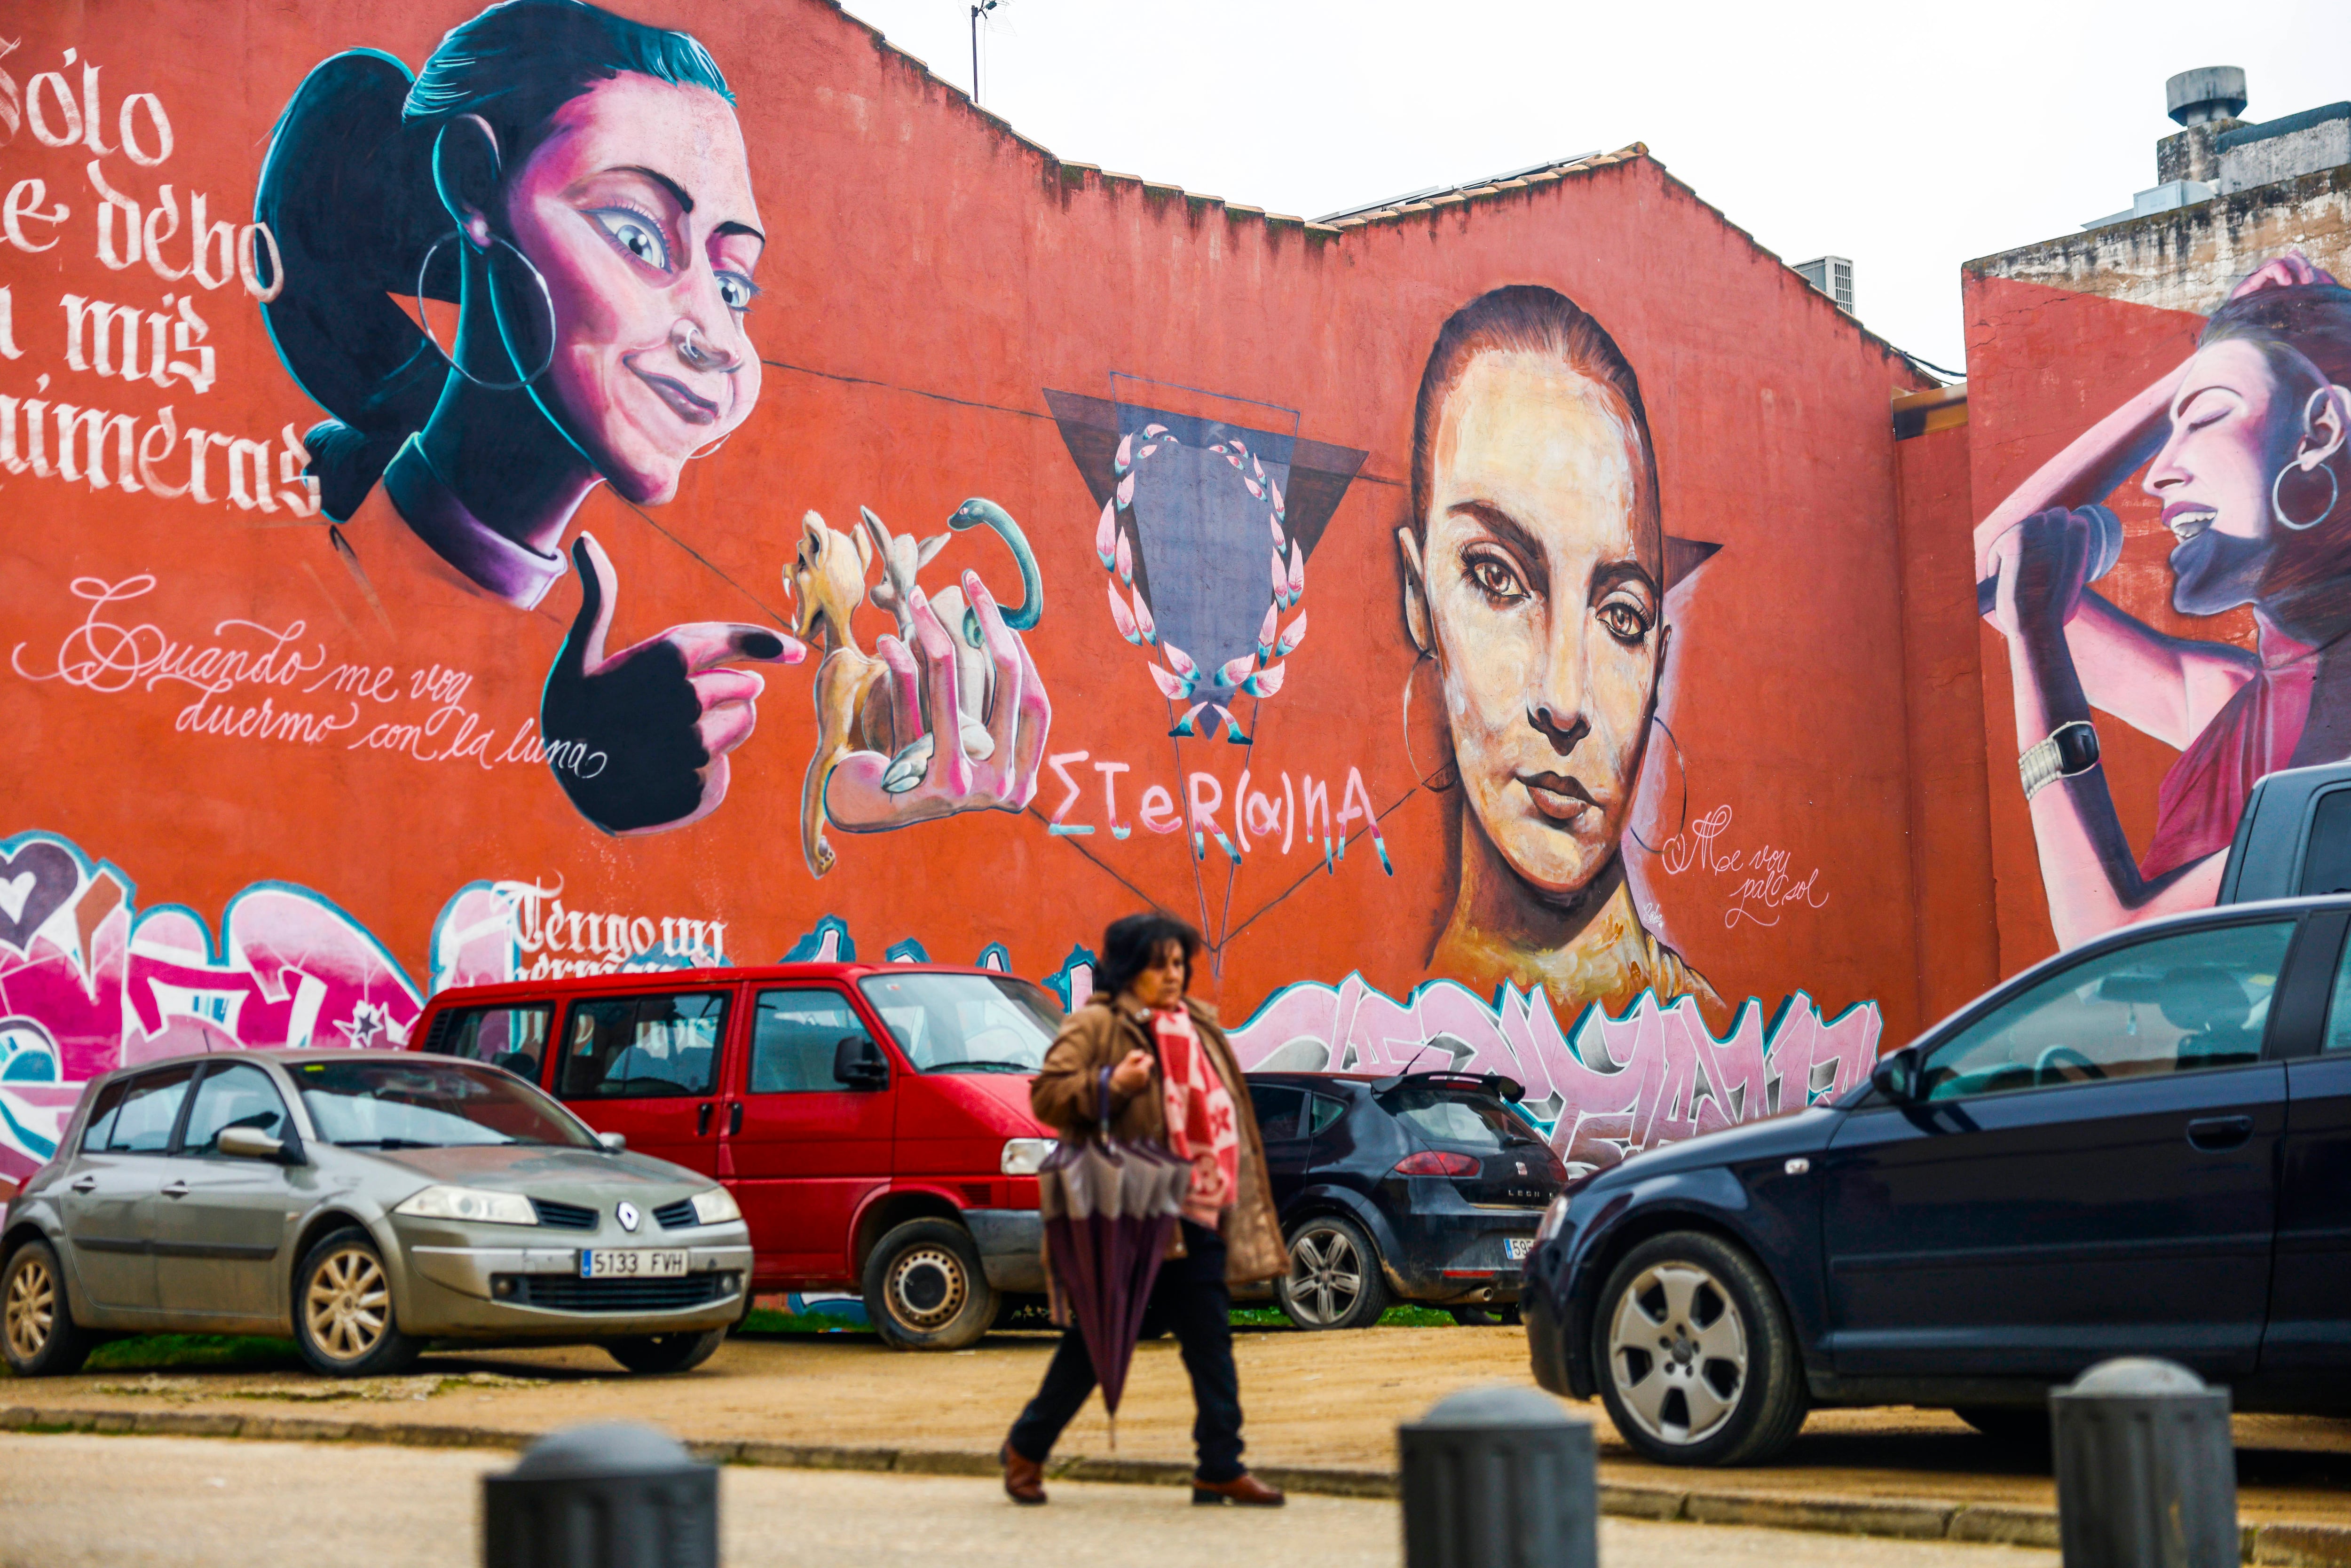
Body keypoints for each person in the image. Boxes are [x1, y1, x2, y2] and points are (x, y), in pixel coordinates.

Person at [256, 0, 1043, 840]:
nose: (717, 337)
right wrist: (585, 764)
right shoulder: (320, 571)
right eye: (636, 236)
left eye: (734, 286)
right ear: (476, 186)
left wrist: (836, 788)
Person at [1979, 253, 2351, 947]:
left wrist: (2038, 636)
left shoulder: (2332, 739)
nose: (2157, 473)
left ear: (2320, 431)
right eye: (2168, 430)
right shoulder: (2225, 697)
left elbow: (2110, 942)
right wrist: (2202, 367)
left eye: (2206, 418)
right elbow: (1994, 565)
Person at [1397, 285, 1723, 1024]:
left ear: (1658, 658)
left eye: (1621, 616)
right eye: (1497, 577)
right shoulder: (1368, 1040)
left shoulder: (1716, 1058)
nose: (1565, 699)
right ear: (1420, 598)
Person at [1002, 913, 1289, 1507]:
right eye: (1161, 963)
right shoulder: (1098, 1025)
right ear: (1131, 966)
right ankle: (1026, 1448)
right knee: (1098, 1340)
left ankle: (1220, 1464)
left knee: (1210, 1343)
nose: (1174, 974)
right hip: (1129, 1211)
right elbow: (1048, 1095)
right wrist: (1111, 1082)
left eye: (1180, 962)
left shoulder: (1199, 1025)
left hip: (1196, 1209)